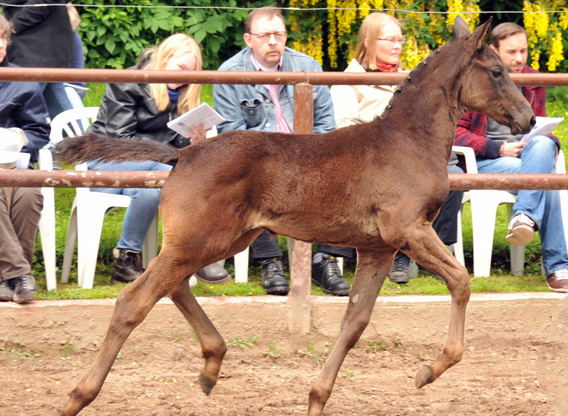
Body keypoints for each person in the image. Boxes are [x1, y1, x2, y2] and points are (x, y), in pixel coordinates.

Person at [212, 6, 352, 296]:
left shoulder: (308, 67)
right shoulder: (229, 73)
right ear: (249, 39)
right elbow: (232, 133)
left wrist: (315, 155)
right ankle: (270, 261)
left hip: (309, 152)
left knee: (346, 173)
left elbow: (326, 123)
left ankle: (324, 260)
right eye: (265, 35)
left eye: (279, 34)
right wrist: (275, 157)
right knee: (258, 179)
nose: (273, 41)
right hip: (259, 157)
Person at [331, 12, 464, 284]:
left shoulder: (412, 79)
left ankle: (431, 250)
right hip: (370, 159)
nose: (397, 46)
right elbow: (343, 126)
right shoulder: (349, 79)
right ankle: (403, 247)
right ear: (368, 42)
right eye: (389, 39)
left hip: (408, 157)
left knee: (451, 173)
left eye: (400, 40)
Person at [86, 33, 217, 284]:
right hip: (106, 159)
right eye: (180, 68)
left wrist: (193, 143)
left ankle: (126, 260)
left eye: (191, 72)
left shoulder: (184, 91)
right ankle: (199, 254)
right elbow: (118, 140)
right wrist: (170, 156)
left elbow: (177, 148)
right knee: (165, 174)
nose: (184, 77)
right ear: (164, 59)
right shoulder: (128, 81)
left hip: (152, 170)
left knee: (149, 188)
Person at [454, 22, 568, 293]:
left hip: (527, 158)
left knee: (542, 143)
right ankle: (557, 267)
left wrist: (541, 140)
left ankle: (523, 217)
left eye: (523, 51)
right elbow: (454, 134)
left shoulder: (532, 80)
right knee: (547, 182)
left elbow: (537, 123)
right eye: (511, 52)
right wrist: (498, 149)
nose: (519, 59)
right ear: (493, 50)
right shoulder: (474, 79)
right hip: (484, 161)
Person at [0, 12, 50, 303]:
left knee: (31, 192)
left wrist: (17, 141)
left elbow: (40, 131)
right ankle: (18, 275)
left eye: (3, 38)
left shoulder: (23, 81)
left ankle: (9, 281)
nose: (0, 45)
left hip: (13, 164)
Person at [3, 0, 75, 120]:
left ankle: (83, 138)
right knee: (58, 108)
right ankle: (83, 138)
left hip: (36, 46)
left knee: (17, 107)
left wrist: (16, 24)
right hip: (34, 44)